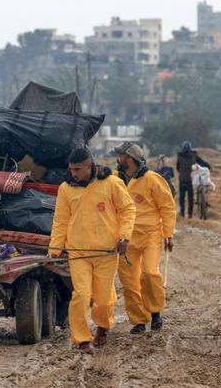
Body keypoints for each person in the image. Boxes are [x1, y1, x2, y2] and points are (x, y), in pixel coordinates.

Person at [48, 147, 135, 353]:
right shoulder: (65, 188)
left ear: (90, 166)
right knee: (81, 295)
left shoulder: (112, 183)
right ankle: (82, 340)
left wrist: (124, 237)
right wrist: (55, 248)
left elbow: (127, 209)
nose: (73, 173)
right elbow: (60, 220)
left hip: (106, 252)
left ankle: (103, 327)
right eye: (71, 169)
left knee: (103, 300)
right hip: (78, 252)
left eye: (78, 169)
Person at [115, 142, 176, 334]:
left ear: (129, 159)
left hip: (151, 234)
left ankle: (156, 312)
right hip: (126, 238)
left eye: (120, 155)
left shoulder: (152, 179)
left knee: (150, 273)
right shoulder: (116, 180)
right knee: (129, 281)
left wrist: (168, 233)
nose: (118, 159)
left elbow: (167, 207)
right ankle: (139, 320)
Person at [176, 141, 211, 218]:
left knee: (182, 196)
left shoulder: (179, 156)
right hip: (191, 179)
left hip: (182, 180)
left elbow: (177, 167)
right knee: (190, 197)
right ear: (190, 148)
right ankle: (190, 215)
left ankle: (182, 213)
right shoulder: (193, 155)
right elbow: (201, 162)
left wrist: (182, 173)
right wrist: (208, 166)